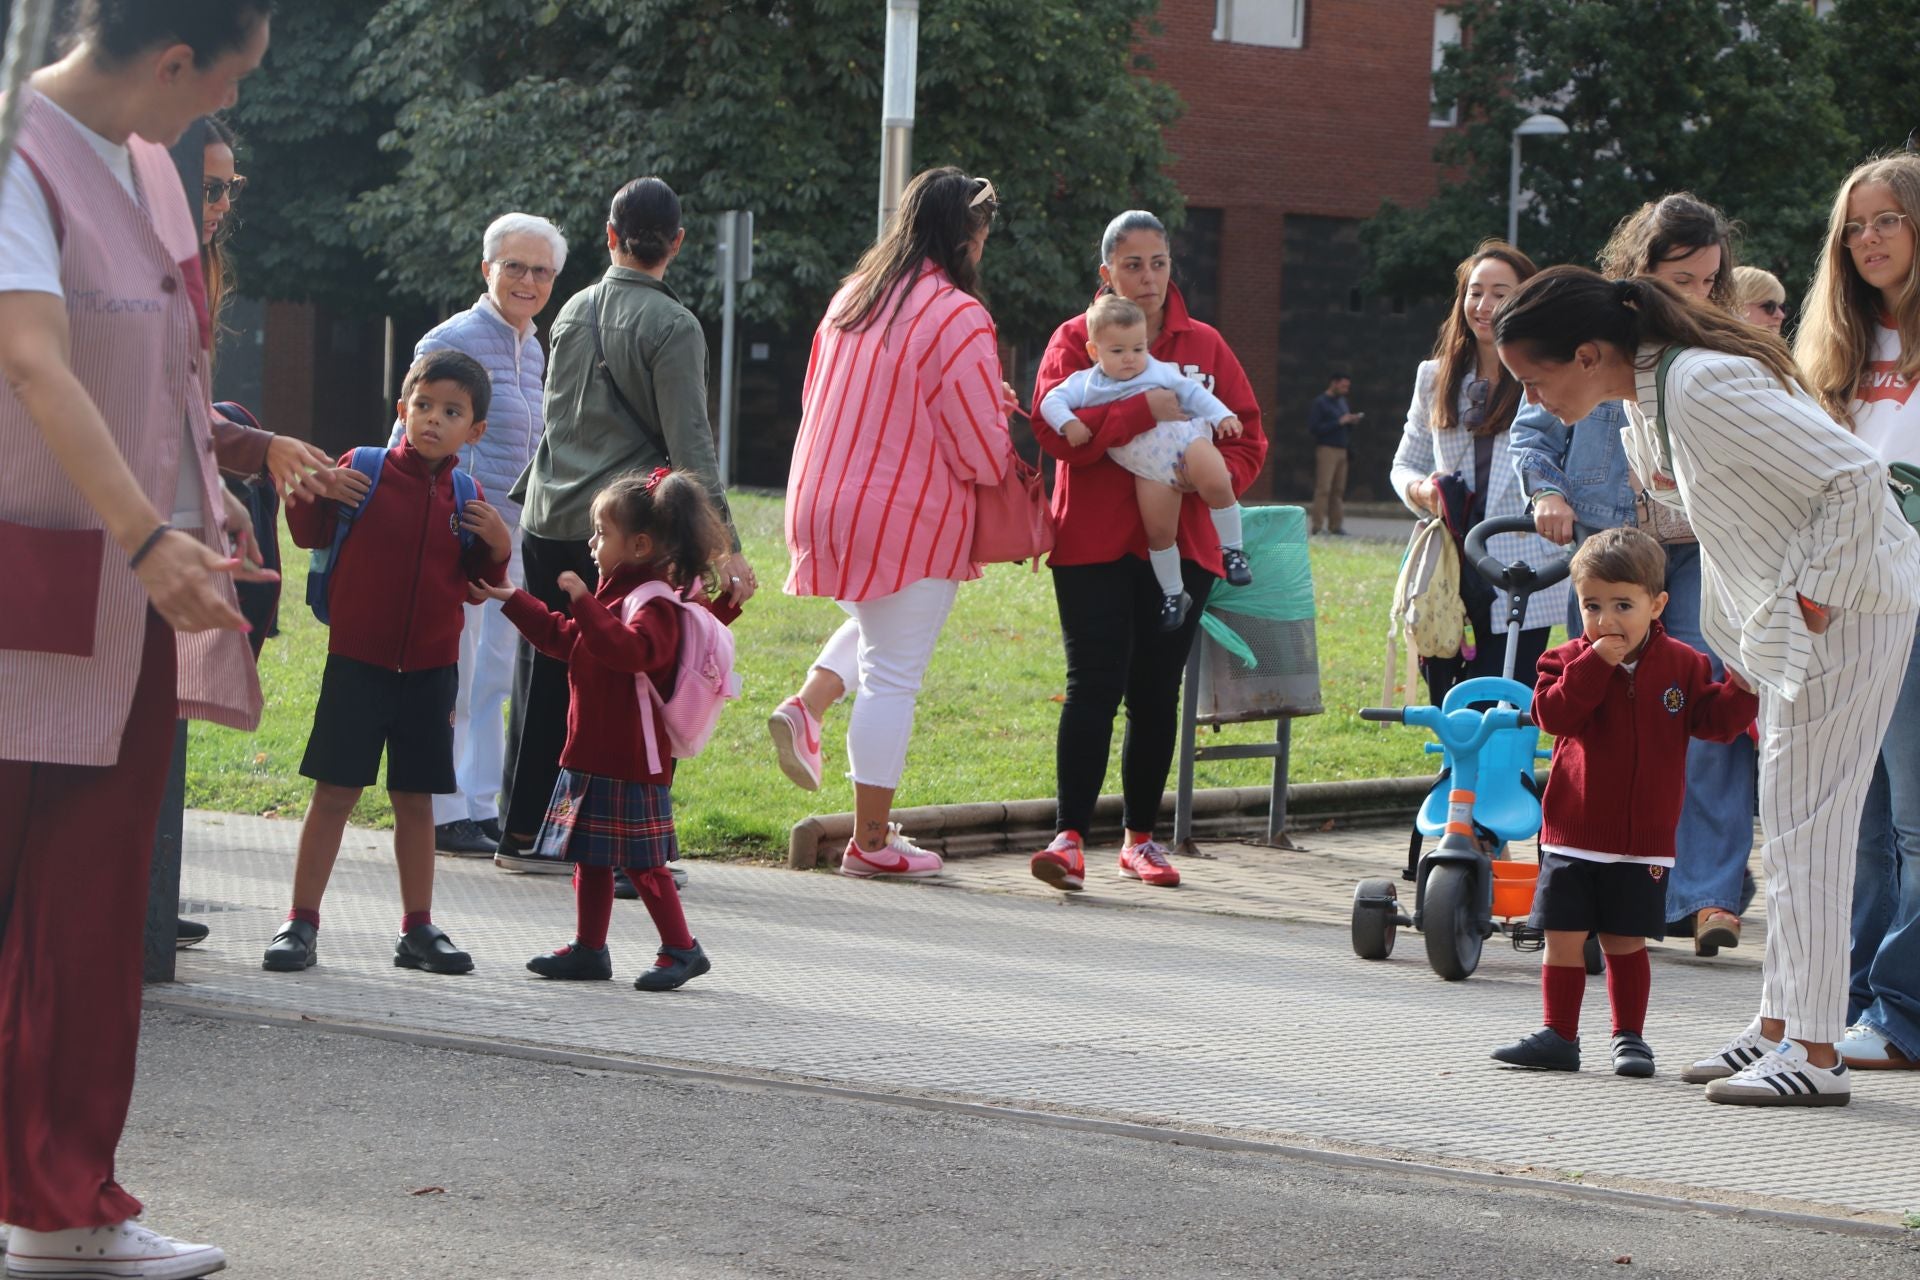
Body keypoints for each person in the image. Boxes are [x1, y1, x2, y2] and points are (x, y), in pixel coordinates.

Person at [1495, 265, 1920, 1108]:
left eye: (1536, 381)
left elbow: (1854, 477)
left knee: (1812, 834)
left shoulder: (1698, 381)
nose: (1535, 402)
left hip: (1846, 613)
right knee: (1796, 832)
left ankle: (1817, 1050)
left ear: (1587, 353)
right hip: (1804, 624)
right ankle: (1779, 1029)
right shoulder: (1655, 391)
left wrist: (1812, 598)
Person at [0, 3, 274, 1274]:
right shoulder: (18, 153)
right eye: (224, 81)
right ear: (174, 62)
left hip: (125, 605)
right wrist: (149, 538)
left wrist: (214, 502)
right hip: (45, 580)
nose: (219, 112)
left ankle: (60, 1206)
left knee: (92, 917)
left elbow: (166, 366)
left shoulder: (154, 166)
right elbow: (32, 361)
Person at [1512, 194, 1757, 957]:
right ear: (1640, 276)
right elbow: (1533, 425)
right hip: (1612, 549)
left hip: (1691, 553)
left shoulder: (1706, 354)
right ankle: (1591, 879)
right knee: (1600, 704)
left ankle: (1710, 894)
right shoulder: (1591, 340)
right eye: (1681, 279)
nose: (1697, 296)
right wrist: (1546, 492)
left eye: (1710, 281)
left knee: (1694, 695)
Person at [502, 177, 754, 890]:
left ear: (609, 236)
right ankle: (616, 846)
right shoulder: (673, 327)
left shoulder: (574, 309)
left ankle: (522, 831)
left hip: (550, 515)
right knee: (623, 693)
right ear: (675, 243)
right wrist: (723, 545)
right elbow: (691, 445)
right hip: (626, 530)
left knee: (545, 681)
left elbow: (557, 421)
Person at [768, 166, 1014, 878]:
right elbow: (981, 453)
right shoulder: (959, 314)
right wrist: (999, 416)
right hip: (907, 510)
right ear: (968, 235)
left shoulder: (854, 297)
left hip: (823, 497)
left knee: (880, 627)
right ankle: (871, 842)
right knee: (894, 675)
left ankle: (808, 707)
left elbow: (822, 389)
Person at [1025, 209, 1268, 891]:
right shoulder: (1076, 342)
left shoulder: (1206, 346)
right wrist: (1143, 412)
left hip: (1184, 545)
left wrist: (1213, 480)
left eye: (1159, 263)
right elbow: (1052, 433)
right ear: (1107, 274)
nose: (1149, 277)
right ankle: (1069, 837)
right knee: (1092, 686)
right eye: (1133, 265)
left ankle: (1140, 840)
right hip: (1092, 544)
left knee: (1156, 693)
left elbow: (1247, 438)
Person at [265, 351, 512, 976]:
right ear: (401, 409)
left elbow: (480, 583)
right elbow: (310, 534)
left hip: (431, 673)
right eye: (423, 405)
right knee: (334, 794)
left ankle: (418, 930)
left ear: (474, 430)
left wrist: (500, 547)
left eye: (451, 412)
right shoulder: (363, 469)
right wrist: (311, 490)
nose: (433, 420)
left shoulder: (468, 495)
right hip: (356, 664)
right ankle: (300, 921)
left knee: (417, 803)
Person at [1491, 528, 1757, 1076]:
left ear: (1657, 605)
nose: (1606, 619)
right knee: (1562, 938)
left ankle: (1629, 1038)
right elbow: (1554, 716)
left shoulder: (1683, 664)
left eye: (1623, 605)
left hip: (1644, 841)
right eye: (1592, 605)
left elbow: (1713, 722)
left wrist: (1744, 687)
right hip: (1574, 830)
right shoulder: (1565, 660)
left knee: (1624, 942)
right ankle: (1559, 1034)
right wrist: (1595, 664)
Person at [477, 470, 738, 989]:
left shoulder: (654, 604)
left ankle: (682, 949)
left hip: (629, 760)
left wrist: (583, 601)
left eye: (601, 533)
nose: (591, 544)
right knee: (589, 857)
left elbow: (630, 651)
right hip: (591, 753)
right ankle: (590, 949)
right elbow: (565, 639)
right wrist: (510, 597)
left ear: (640, 545)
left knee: (645, 864)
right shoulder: (618, 597)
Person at [385, 212, 567, 857]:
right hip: (454, 533)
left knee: (493, 675)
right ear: (486, 269)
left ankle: (481, 804)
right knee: (454, 675)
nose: (527, 280)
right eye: (514, 266)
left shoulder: (535, 346)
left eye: (541, 270)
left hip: (512, 538)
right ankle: (442, 807)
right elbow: (411, 438)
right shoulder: (454, 340)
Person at [1794, 152, 1920, 1071]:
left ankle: (1905, 1018)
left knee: (1915, 824)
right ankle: (1851, 1005)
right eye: (1856, 224)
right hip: (1845, 606)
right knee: (1859, 822)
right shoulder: (1834, 347)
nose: (1868, 238)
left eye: (1888, 220)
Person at [1390, 240, 1567, 704]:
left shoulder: (1550, 376)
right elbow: (1404, 462)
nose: (1484, 306)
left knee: (1505, 705)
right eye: (1475, 292)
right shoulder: (1435, 376)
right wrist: (1420, 489)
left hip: (1524, 573)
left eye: (1500, 293)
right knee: (1449, 707)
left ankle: (1501, 779)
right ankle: (1455, 779)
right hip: (1449, 573)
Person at [1039, 293, 1252, 631]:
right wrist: (1070, 423)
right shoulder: (1088, 383)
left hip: (1184, 439)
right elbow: (1049, 403)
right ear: (1094, 352)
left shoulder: (1157, 370)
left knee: (1216, 480)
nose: (1130, 360)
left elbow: (1193, 393)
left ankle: (1234, 551)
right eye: (1118, 351)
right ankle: (1173, 593)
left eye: (1138, 349)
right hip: (1147, 467)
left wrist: (1222, 415)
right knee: (1160, 532)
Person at [1307, 372, 1360, 536]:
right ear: (1334, 383)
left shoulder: (1342, 402)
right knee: (1324, 488)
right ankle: (1317, 526)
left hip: (1342, 449)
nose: (1346, 389)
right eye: (1343, 386)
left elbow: (1344, 424)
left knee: (1338, 490)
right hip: (1327, 449)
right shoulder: (1320, 403)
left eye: (1347, 387)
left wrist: (1350, 421)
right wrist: (1338, 422)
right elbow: (1314, 428)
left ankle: (1335, 526)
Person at [1731, 264, 1788, 334]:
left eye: (1782, 307)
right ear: (1737, 307)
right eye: (1769, 306)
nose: (1781, 315)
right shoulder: (1719, 344)